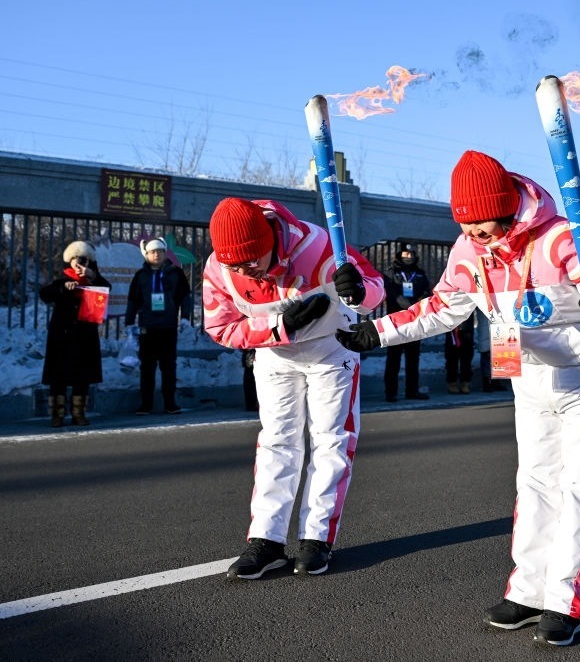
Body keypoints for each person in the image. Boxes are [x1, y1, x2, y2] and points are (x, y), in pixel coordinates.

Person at [337, 150, 580, 646]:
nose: (473, 230)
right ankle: (528, 592)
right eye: (464, 221)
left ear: (504, 206)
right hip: (531, 382)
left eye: (481, 220)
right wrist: (378, 332)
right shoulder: (467, 251)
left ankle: (566, 600)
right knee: (535, 486)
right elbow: (441, 308)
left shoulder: (562, 238)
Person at [202, 196, 385, 580]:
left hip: (330, 351)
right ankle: (266, 539)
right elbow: (221, 327)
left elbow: (374, 289)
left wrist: (358, 291)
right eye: (236, 265)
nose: (247, 270)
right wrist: (279, 328)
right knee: (277, 442)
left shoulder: (318, 245)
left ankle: (316, 538)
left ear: (269, 238)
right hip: (274, 354)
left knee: (331, 440)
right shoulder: (218, 269)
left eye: (252, 259)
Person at [39, 240, 112, 427]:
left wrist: (92, 276)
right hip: (61, 335)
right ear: (69, 261)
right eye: (75, 259)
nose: (79, 263)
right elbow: (45, 293)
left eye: (84, 260)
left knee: (83, 375)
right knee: (58, 376)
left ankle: (79, 413)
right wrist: (63, 288)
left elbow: (107, 288)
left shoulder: (94, 280)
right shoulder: (61, 280)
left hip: (85, 334)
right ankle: (57, 415)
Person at [124, 238, 193, 414]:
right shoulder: (140, 276)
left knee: (168, 367)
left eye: (160, 251)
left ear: (165, 253)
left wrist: (185, 317)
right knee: (147, 367)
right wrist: (129, 322)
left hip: (168, 327)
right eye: (153, 252)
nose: (157, 254)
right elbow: (133, 300)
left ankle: (170, 403)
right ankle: (146, 404)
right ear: (146, 255)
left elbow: (185, 297)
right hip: (147, 328)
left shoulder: (175, 273)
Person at [382, 244, 432, 402]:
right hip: (396, 320)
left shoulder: (420, 273)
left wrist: (418, 304)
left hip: (415, 321)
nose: (409, 257)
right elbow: (390, 292)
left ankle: (412, 391)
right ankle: (391, 392)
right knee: (393, 358)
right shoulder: (391, 272)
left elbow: (427, 291)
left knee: (413, 358)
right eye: (405, 253)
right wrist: (405, 304)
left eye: (411, 254)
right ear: (399, 254)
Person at [444, 313, 476, 394]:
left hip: (467, 321)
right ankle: (452, 382)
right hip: (452, 321)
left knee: (467, 354)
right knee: (452, 354)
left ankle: (465, 382)